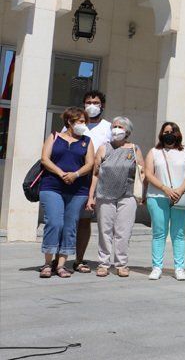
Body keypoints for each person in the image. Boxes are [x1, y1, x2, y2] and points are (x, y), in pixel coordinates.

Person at [38, 107, 95, 278]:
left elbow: (90, 164)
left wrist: (76, 174)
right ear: (69, 122)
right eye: (80, 121)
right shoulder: (54, 136)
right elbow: (44, 159)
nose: (83, 124)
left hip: (78, 190)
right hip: (52, 186)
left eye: (85, 121)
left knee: (70, 226)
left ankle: (62, 265)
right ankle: (47, 263)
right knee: (54, 222)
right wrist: (60, 173)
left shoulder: (87, 141)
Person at [86, 116, 143, 278]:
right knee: (105, 230)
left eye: (120, 127)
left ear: (127, 131)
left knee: (123, 231)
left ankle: (121, 264)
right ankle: (103, 263)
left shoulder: (134, 149)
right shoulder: (104, 148)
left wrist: (141, 195)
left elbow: (142, 172)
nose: (116, 129)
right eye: (114, 126)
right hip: (105, 194)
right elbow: (95, 174)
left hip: (128, 195)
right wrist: (91, 196)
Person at [144, 122, 185, 281]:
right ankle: (156, 267)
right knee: (159, 233)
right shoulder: (154, 152)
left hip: (180, 197)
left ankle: (179, 268)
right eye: (166, 131)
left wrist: (179, 190)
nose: (169, 134)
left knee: (178, 234)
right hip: (157, 197)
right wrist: (165, 189)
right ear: (161, 134)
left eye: (172, 132)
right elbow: (148, 173)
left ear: (178, 134)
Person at [70, 91, 112, 274]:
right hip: (73, 177)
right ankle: (58, 258)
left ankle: (79, 259)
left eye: (96, 102)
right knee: (67, 219)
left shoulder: (110, 127)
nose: (92, 105)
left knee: (85, 220)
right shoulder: (76, 125)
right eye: (88, 102)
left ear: (102, 105)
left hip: (97, 179)